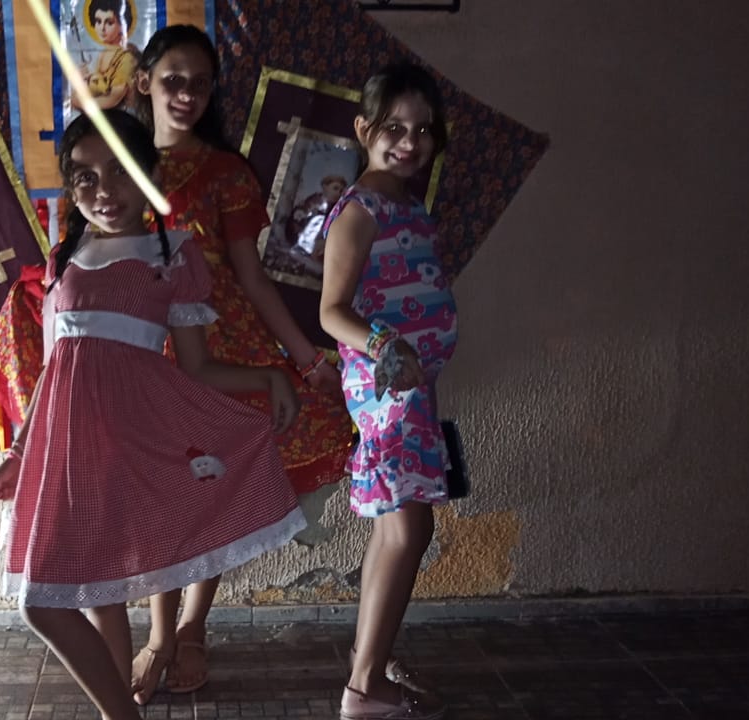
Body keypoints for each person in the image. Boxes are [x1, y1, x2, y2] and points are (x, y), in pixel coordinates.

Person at [0, 110, 307, 720]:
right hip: (71, 454)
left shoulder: (174, 255)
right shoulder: (63, 259)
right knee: (87, 597)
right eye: (85, 177)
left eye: (120, 172)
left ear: (151, 175)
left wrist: (270, 377)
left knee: (44, 601)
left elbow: (196, 367)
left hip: (137, 442)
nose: (104, 190)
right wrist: (22, 450)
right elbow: (54, 369)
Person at [128, 24, 356, 703]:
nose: (186, 94)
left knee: (211, 491)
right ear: (143, 82)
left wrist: (306, 360)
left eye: (199, 83)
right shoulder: (118, 163)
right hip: (141, 346)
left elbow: (251, 276)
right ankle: (158, 634)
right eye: (173, 79)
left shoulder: (226, 173)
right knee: (161, 497)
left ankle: (193, 626)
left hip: (222, 347)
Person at [318, 62, 455, 720]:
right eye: (394, 128)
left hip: (412, 389)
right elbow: (332, 311)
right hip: (386, 390)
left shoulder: (408, 206)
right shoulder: (360, 210)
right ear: (363, 129)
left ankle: (366, 663)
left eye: (423, 130)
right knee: (409, 528)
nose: (409, 142)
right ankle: (364, 688)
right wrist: (386, 348)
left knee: (396, 530)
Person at [74, 0, 141, 112]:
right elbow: (99, 89)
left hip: (122, 118)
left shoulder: (127, 58)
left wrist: (80, 102)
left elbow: (113, 98)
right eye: (98, 21)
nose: (102, 28)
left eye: (109, 23)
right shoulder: (104, 53)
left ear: (122, 25)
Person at [289, 174, 348, 261]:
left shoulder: (335, 208)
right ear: (325, 187)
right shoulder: (315, 200)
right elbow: (303, 211)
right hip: (305, 230)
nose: (337, 193)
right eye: (335, 188)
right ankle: (302, 247)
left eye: (340, 191)